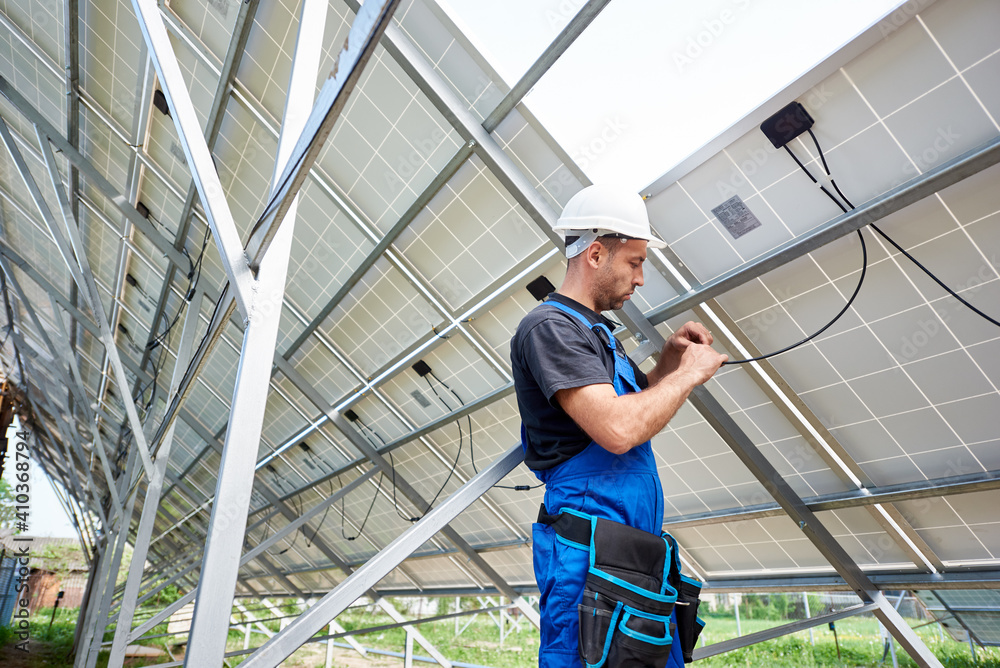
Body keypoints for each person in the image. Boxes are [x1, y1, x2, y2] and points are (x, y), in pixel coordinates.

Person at [510, 184, 727, 667]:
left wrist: (669, 363)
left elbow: (629, 403)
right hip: (589, 548)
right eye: (634, 262)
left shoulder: (596, 332)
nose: (642, 278)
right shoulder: (551, 328)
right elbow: (616, 429)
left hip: (631, 545)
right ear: (594, 254)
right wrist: (690, 376)